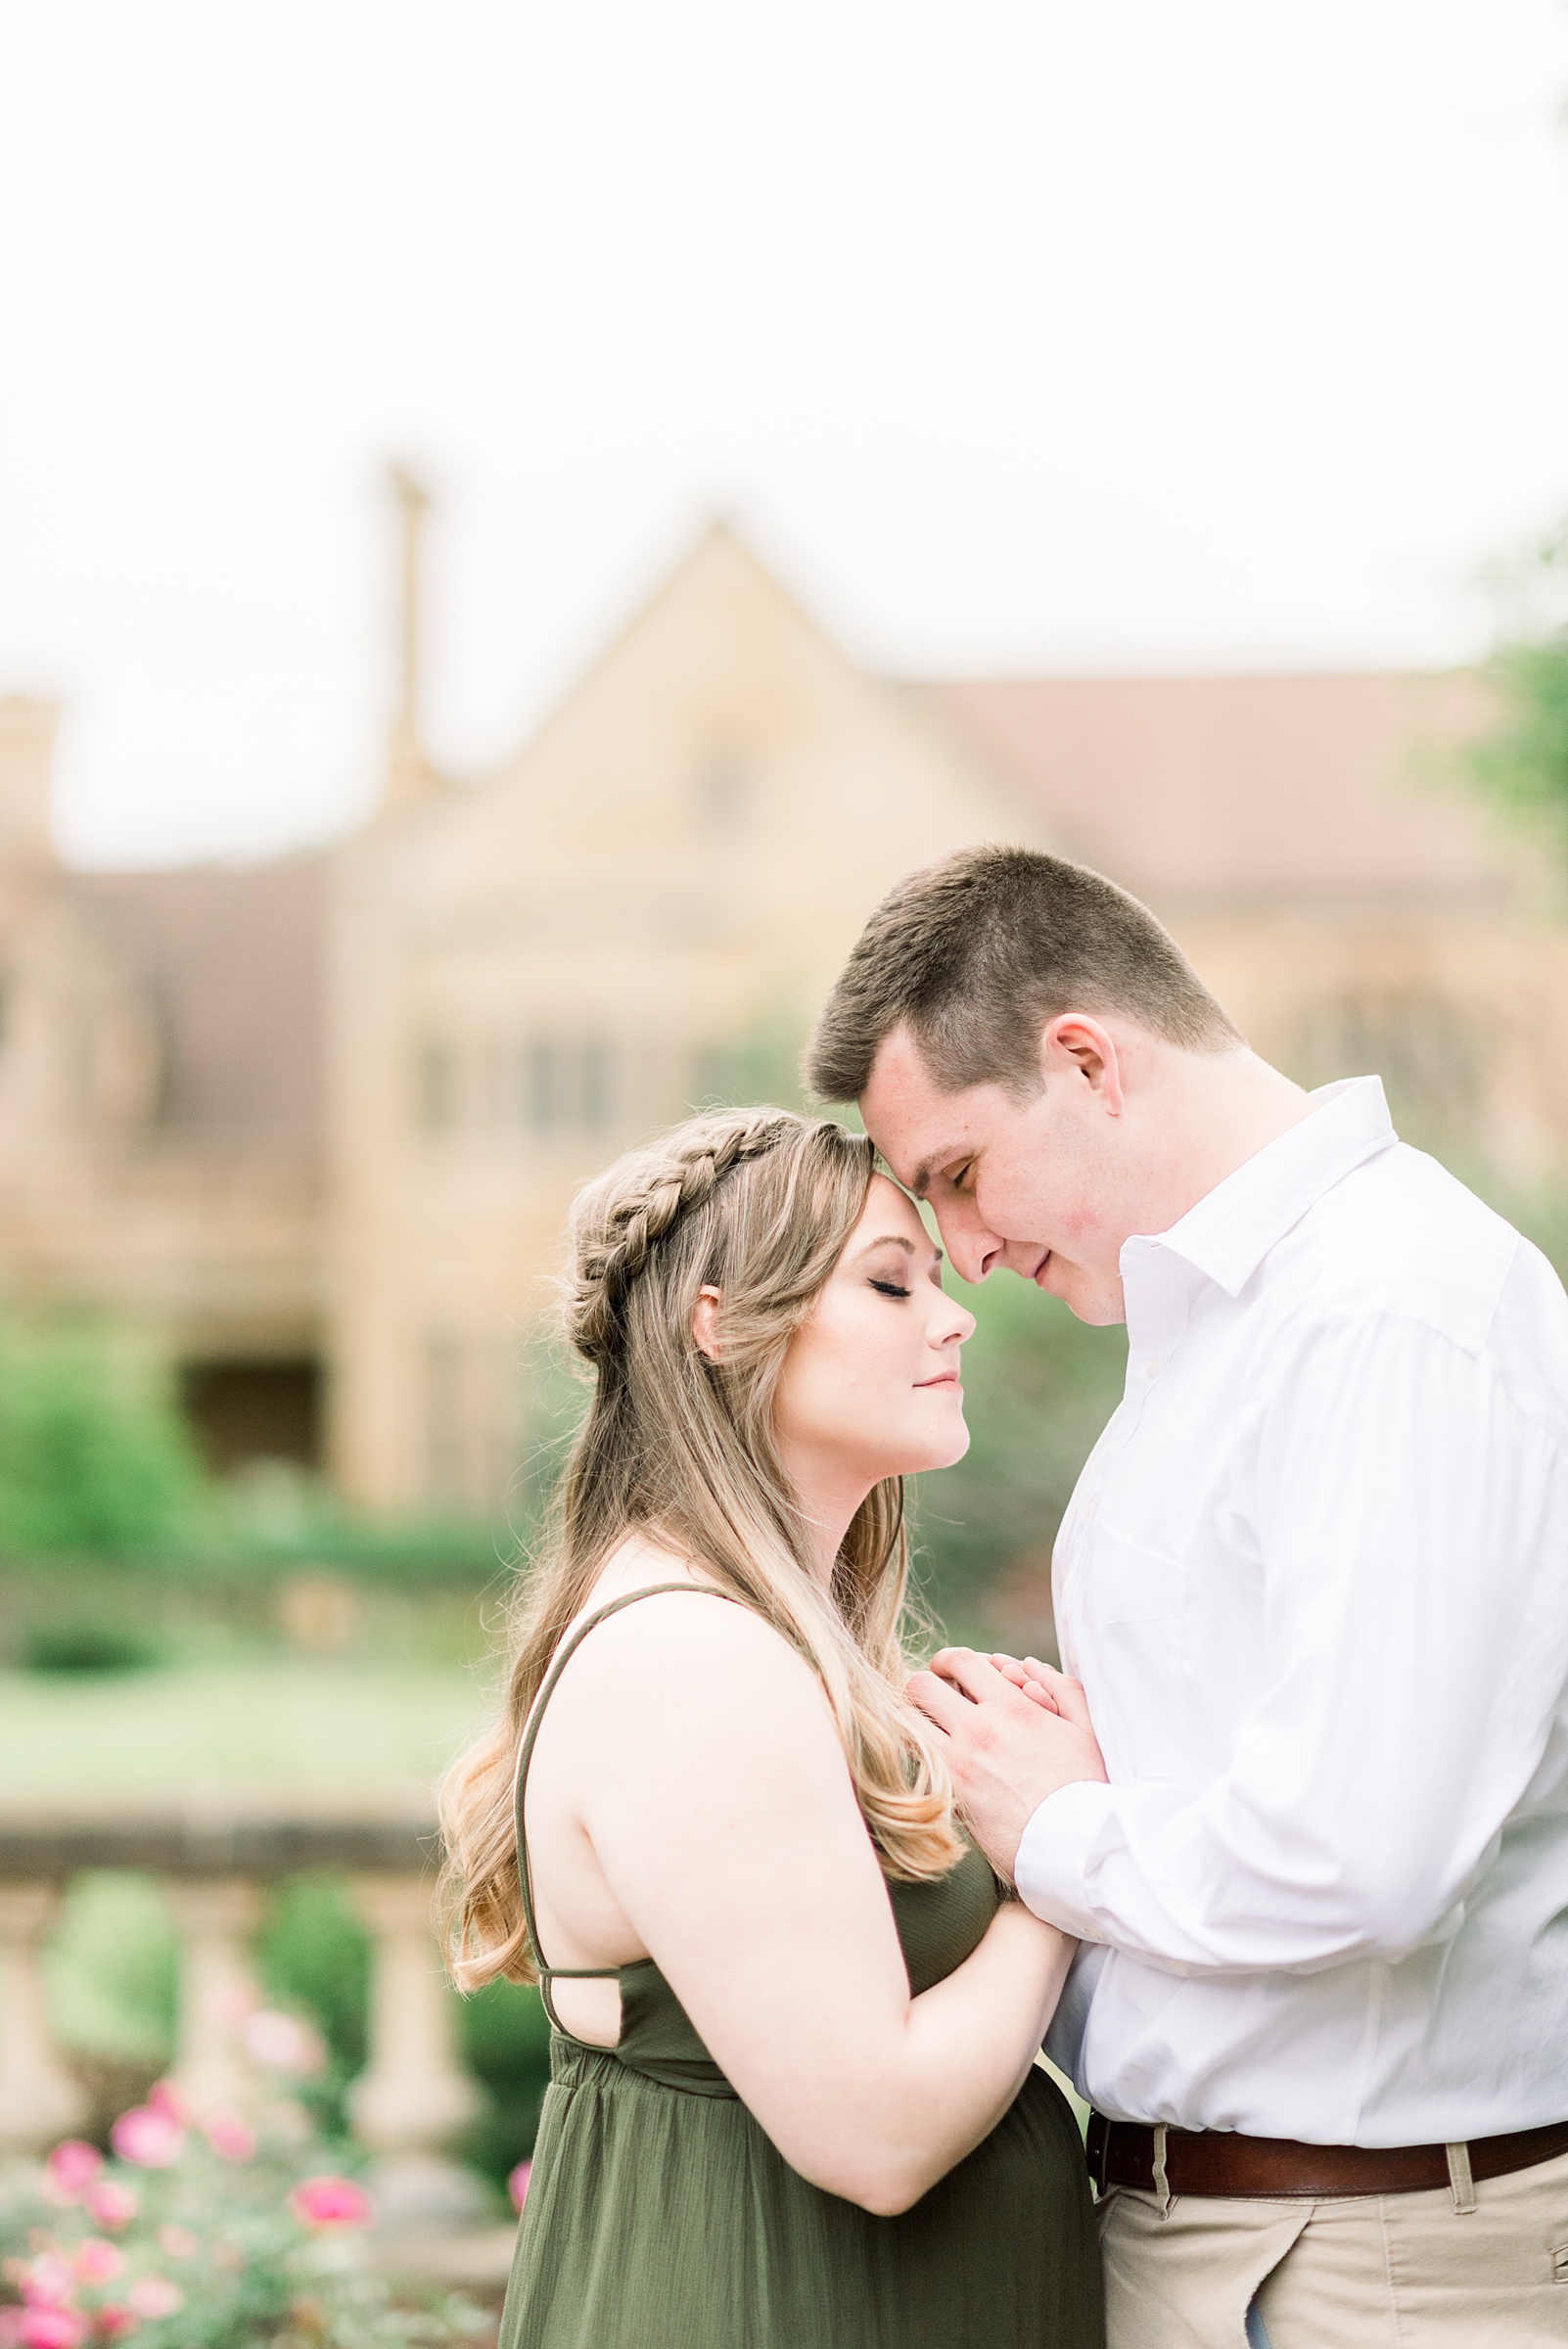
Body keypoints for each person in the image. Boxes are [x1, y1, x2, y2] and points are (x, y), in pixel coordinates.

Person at [806, 845, 1568, 2349]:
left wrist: (1056, 1824)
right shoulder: (1227, 1328)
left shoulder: (1388, 1313)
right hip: (1232, 2245)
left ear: (1083, 1057)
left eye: (957, 1174)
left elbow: (1359, 1859)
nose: (963, 1250)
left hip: (1368, 2267)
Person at [439, 1106, 1103, 2349]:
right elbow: (880, 2131)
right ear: (724, 1322)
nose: (953, 1318)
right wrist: (1056, 1860)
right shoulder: (691, 1659)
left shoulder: (762, 1644)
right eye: (891, 1284)